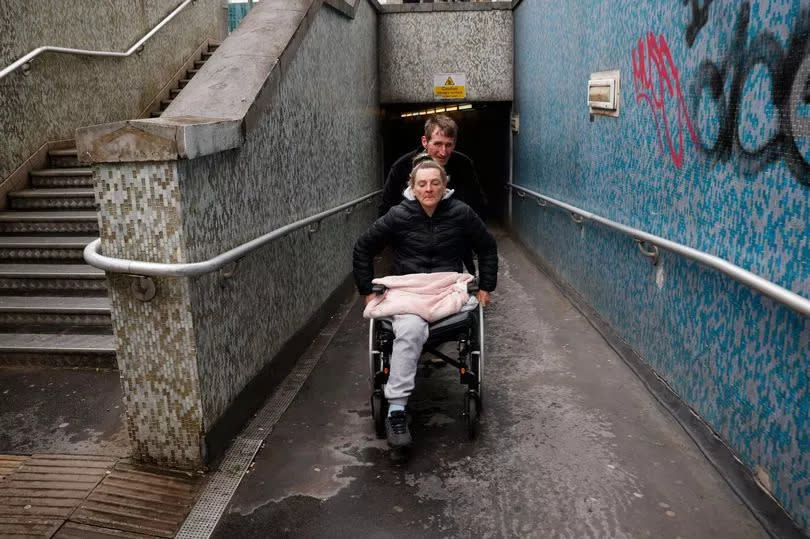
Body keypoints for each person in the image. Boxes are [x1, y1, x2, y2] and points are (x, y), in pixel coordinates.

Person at [354, 158, 498, 448]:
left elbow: (487, 246)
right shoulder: (398, 215)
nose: (428, 188)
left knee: (426, 323)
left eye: (435, 183)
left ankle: (397, 404)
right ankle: (397, 410)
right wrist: (366, 292)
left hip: (447, 288)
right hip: (409, 290)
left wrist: (485, 287)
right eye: (422, 183)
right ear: (412, 186)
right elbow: (363, 247)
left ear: (445, 186)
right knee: (408, 328)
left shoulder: (461, 213)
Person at [379, 114, 487, 219]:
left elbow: (478, 205)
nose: (443, 152)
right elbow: (386, 210)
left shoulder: (464, 164)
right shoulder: (402, 167)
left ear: (454, 144)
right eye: (438, 144)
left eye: (449, 145)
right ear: (425, 141)